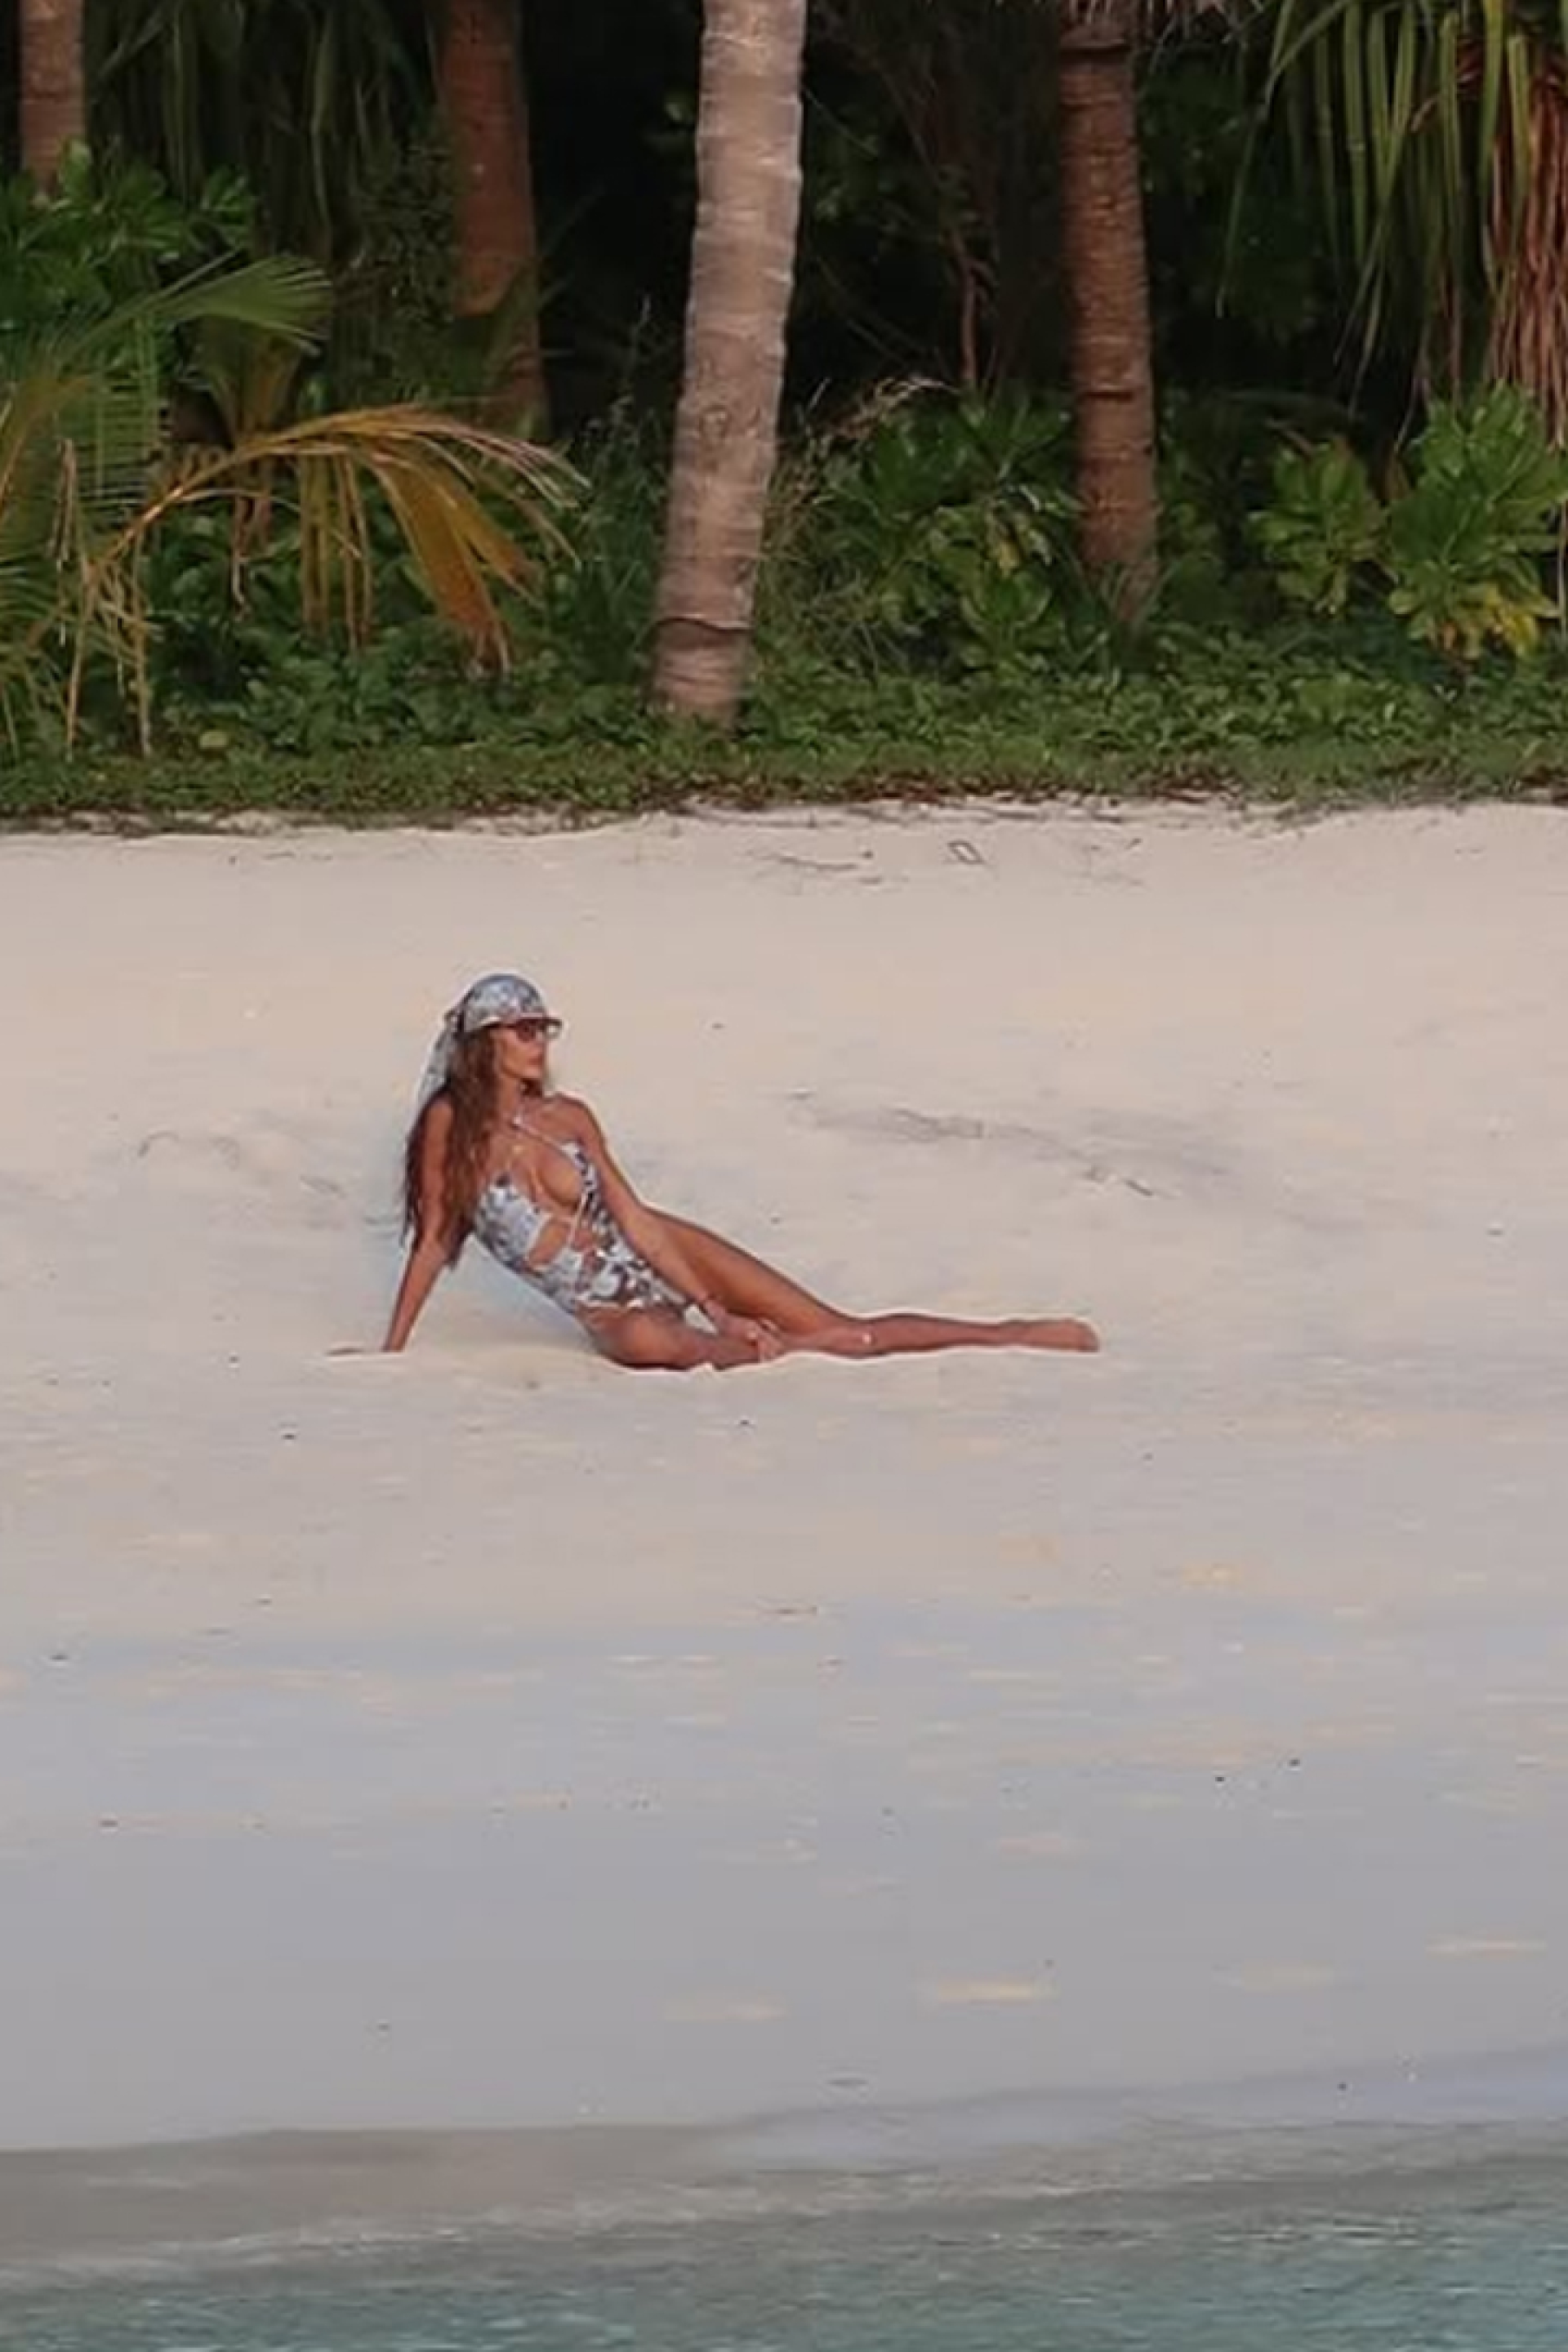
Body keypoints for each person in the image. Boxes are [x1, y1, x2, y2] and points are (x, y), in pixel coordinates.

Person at [385, 973, 1100, 1371]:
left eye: (545, 1029)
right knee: (682, 1347)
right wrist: (394, 1347)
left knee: (845, 1330)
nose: (540, 1043)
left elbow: (634, 1218)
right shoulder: (450, 1124)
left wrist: (712, 1301)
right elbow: (436, 1238)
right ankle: (790, 1348)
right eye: (525, 1030)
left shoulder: (570, 1117)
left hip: (664, 1247)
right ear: (485, 1043)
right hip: (613, 1312)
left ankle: (1008, 1335)